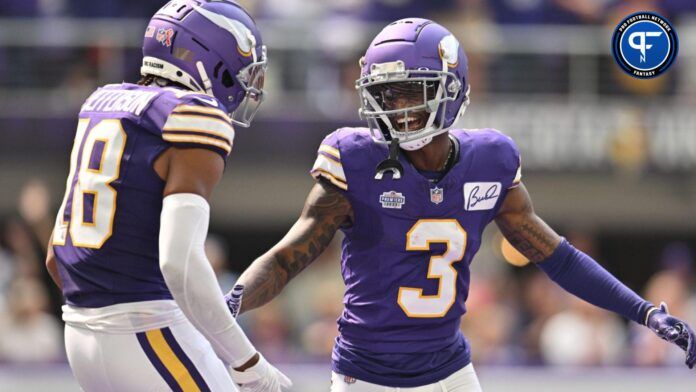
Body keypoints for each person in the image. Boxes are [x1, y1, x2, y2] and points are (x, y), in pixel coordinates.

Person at [226, 18, 696, 391]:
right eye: (386, 94)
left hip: (451, 373)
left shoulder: (489, 160)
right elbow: (288, 258)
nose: (396, 107)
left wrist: (644, 312)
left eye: (412, 91)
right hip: (363, 376)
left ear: (451, 88)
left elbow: (558, 258)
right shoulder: (354, 158)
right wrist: (228, 306)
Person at [45, 1, 291, 391]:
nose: (245, 84)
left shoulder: (100, 103)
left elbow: (55, 259)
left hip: (79, 334)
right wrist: (248, 362)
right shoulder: (194, 115)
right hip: (146, 330)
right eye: (242, 70)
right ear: (209, 58)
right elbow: (180, 265)